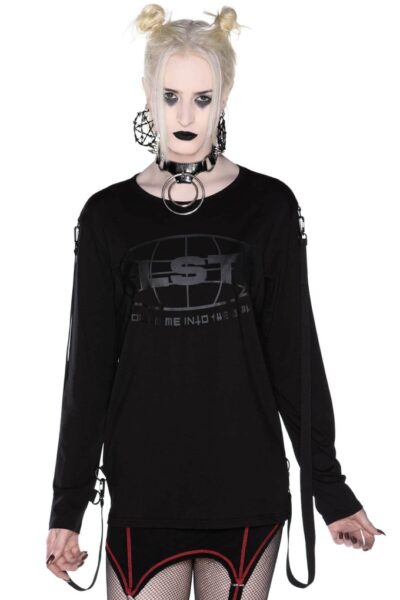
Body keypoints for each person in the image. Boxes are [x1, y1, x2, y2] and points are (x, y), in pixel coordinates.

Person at [46, 5, 385, 599]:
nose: (185, 115)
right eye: (171, 96)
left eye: (202, 99)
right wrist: (67, 506)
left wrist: (329, 489)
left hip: (246, 488)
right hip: (144, 492)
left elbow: (294, 357)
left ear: (224, 96)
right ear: (147, 93)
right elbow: (88, 373)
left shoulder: (269, 208)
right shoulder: (107, 217)